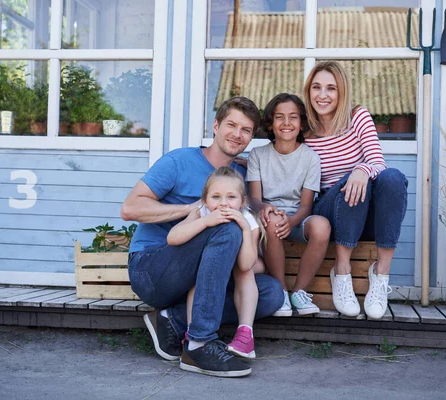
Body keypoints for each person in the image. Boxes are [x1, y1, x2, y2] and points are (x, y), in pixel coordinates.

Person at [121, 96, 284, 378]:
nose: (237, 134)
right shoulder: (179, 160)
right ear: (216, 126)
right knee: (224, 225)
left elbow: (247, 228)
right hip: (154, 268)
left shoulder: (242, 175)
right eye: (231, 125)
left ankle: (171, 320)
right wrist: (195, 210)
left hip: (200, 275)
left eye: (246, 130)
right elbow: (130, 208)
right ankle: (199, 342)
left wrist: (265, 211)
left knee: (270, 294)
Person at [302, 61, 408, 319]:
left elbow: (377, 162)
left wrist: (361, 170)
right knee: (352, 181)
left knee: (393, 178)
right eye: (316, 87)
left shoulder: (358, 117)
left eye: (331, 88)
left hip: (364, 212)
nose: (323, 95)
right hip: (331, 211)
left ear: (342, 92)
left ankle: (380, 275)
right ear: (309, 92)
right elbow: (284, 158)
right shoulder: (304, 130)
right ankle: (341, 270)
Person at [168, 167, 266, 359]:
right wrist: (205, 221)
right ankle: (192, 332)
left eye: (231, 197)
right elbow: (173, 238)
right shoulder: (201, 212)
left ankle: (246, 335)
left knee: (244, 273)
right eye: (216, 197)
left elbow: (247, 264)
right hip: (209, 273)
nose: (223, 204)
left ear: (243, 201)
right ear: (205, 200)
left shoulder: (247, 218)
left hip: (238, 269)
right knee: (201, 274)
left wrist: (245, 229)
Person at [247, 93, 331, 317]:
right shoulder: (257, 155)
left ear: (301, 123)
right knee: (272, 221)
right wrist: (264, 208)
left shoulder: (311, 158)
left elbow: (306, 205)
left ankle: (300, 292)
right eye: (279, 117)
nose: (286, 123)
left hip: (298, 219)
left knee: (322, 226)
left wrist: (292, 221)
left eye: (293, 117)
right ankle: (281, 292)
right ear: (270, 124)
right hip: (268, 218)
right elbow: (254, 199)